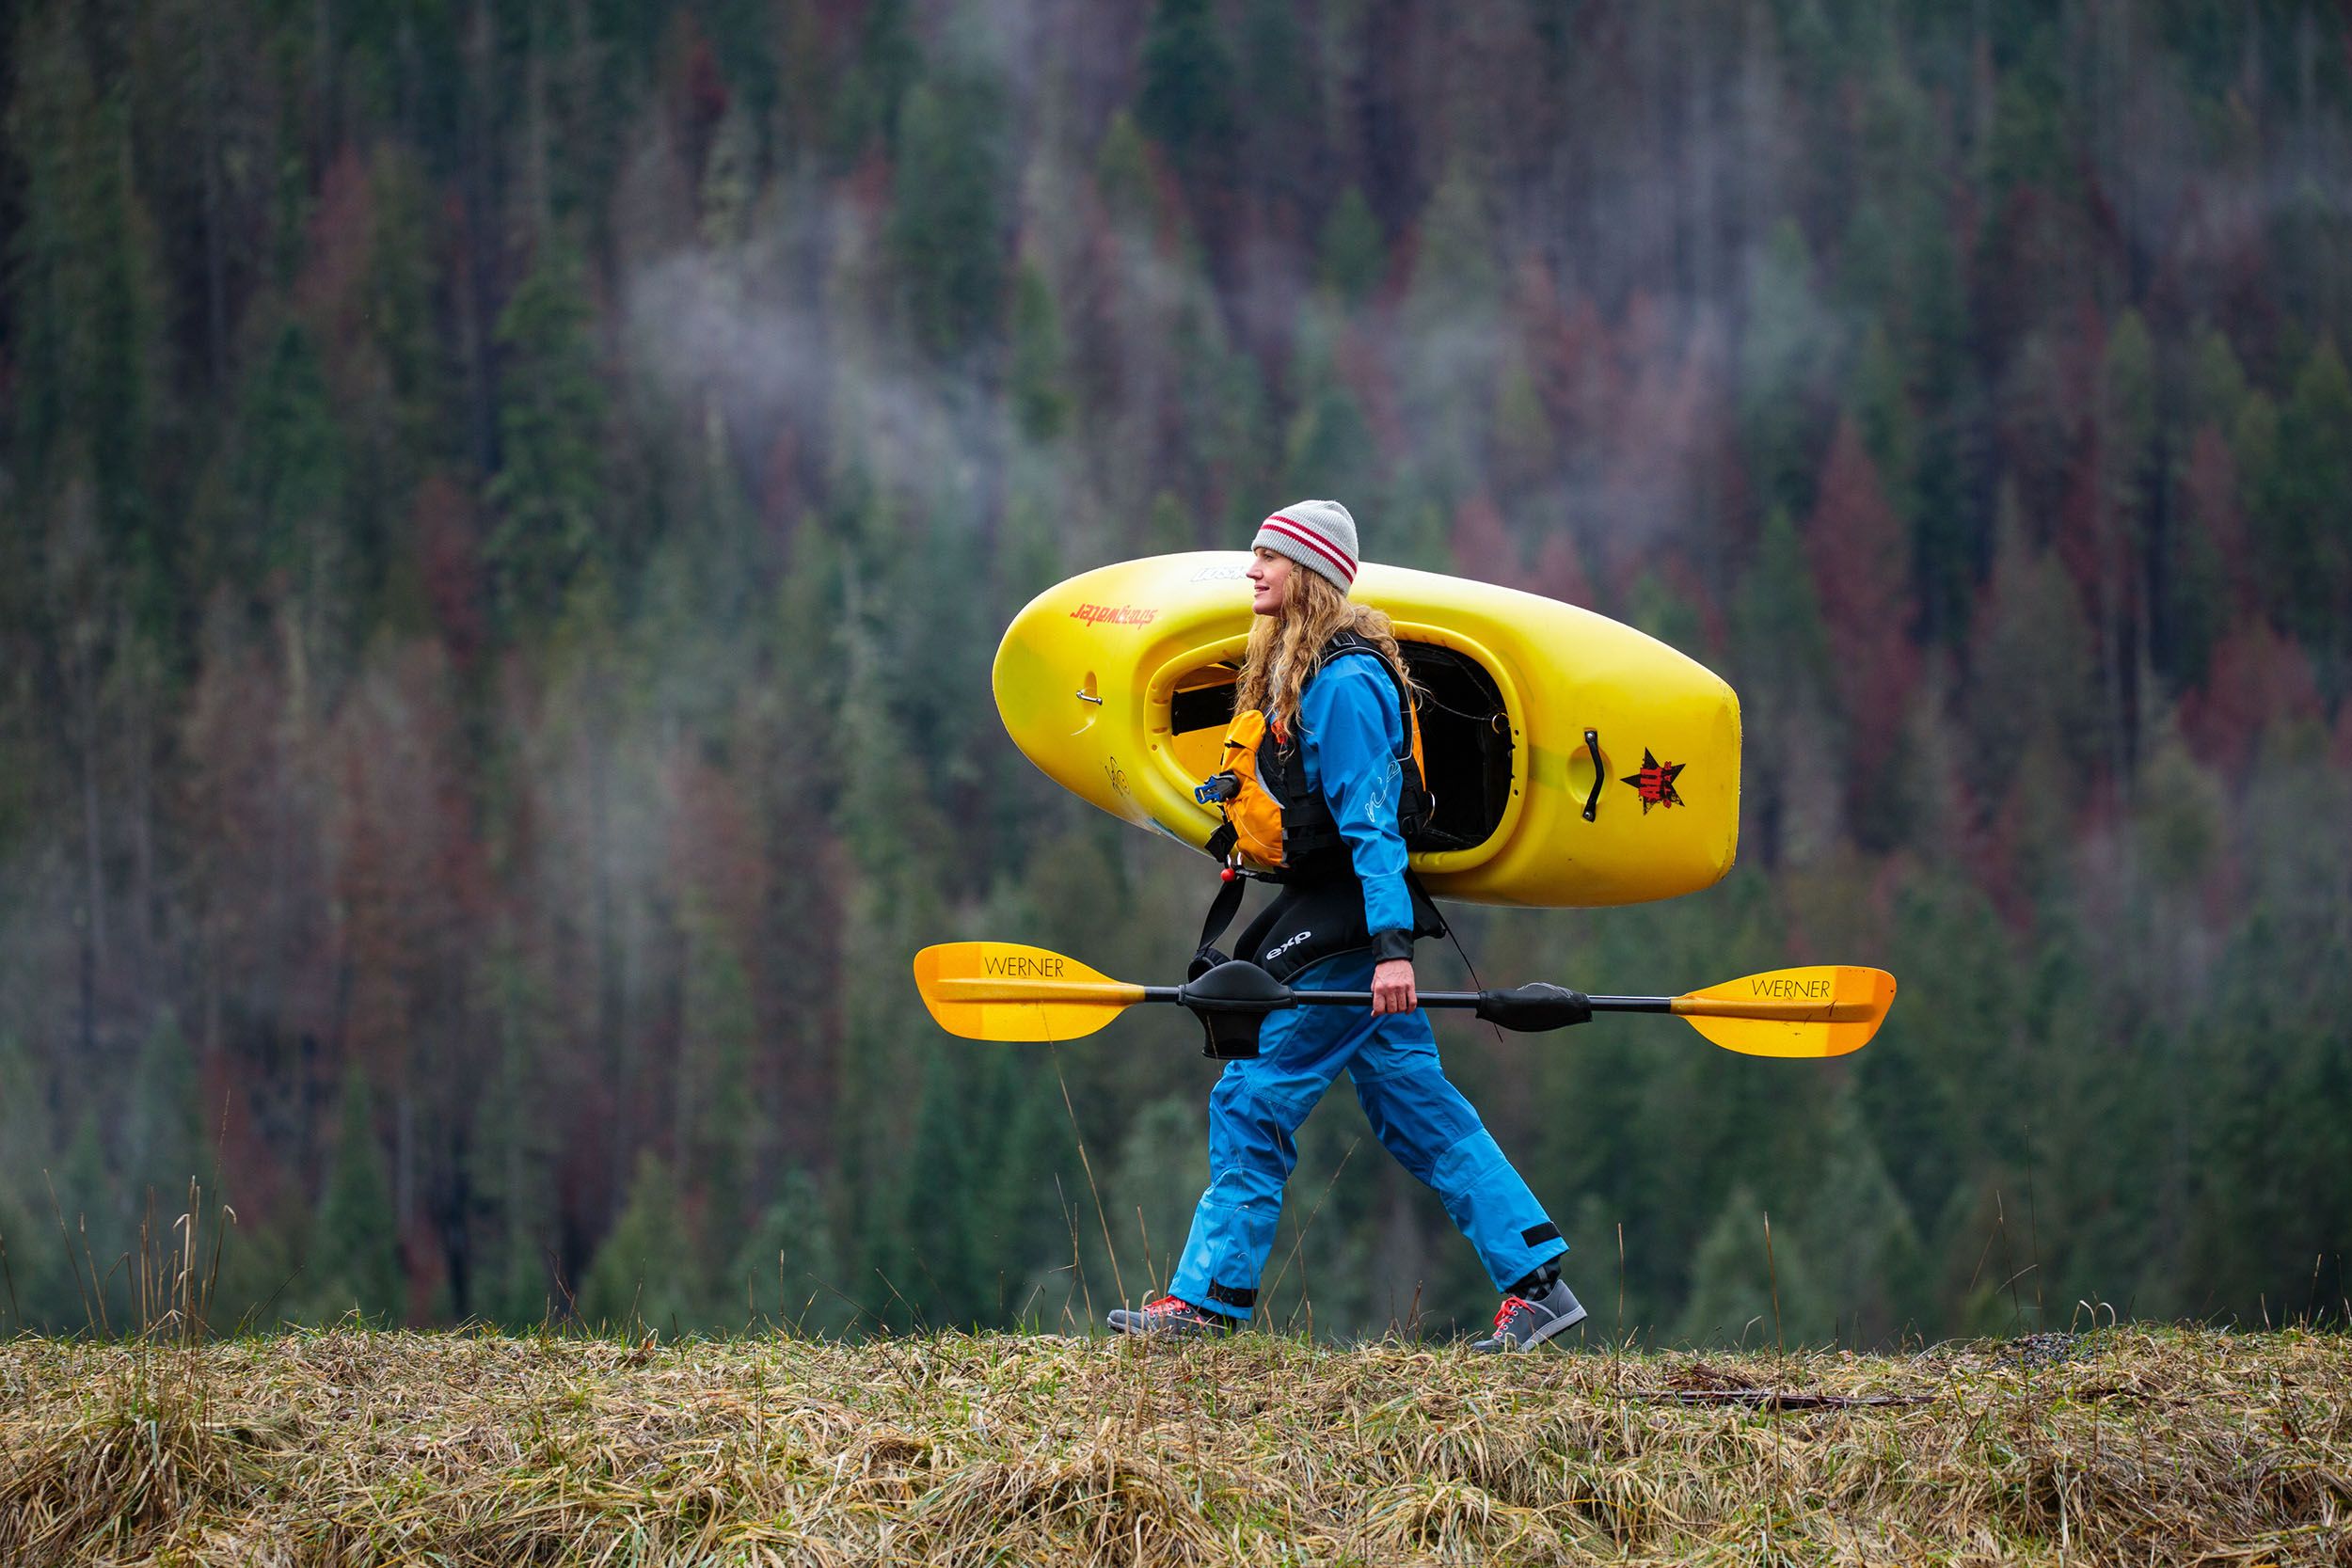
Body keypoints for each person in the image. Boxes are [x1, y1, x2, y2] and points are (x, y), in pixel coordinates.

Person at [1106, 499, 1585, 1353]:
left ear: (1313, 576)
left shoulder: (1345, 684)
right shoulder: (1305, 672)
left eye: (1270, 558)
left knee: (1252, 1099)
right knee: (1418, 1109)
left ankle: (1208, 1302)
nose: (1252, 569)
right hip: (1343, 916)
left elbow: (1373, 828)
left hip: (1355, 928)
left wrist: (1390, 952)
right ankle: (1536, 1283)